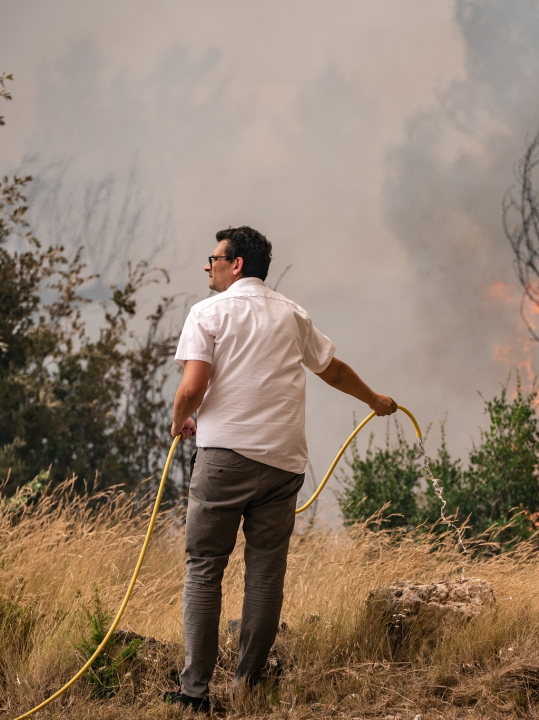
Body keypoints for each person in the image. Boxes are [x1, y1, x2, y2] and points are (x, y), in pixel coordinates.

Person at [162, 226, 397, 712]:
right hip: (284, 464)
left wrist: (179, 416)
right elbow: (333, 370)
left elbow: (192, 387)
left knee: (204, 569)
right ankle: (247, 689)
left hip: (224, 460)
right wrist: (374, 400)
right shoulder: (292, 314)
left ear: (236, 264)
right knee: (265, 575)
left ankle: (194, 694)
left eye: (214, 258)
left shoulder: (207, 313)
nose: (207, 266)